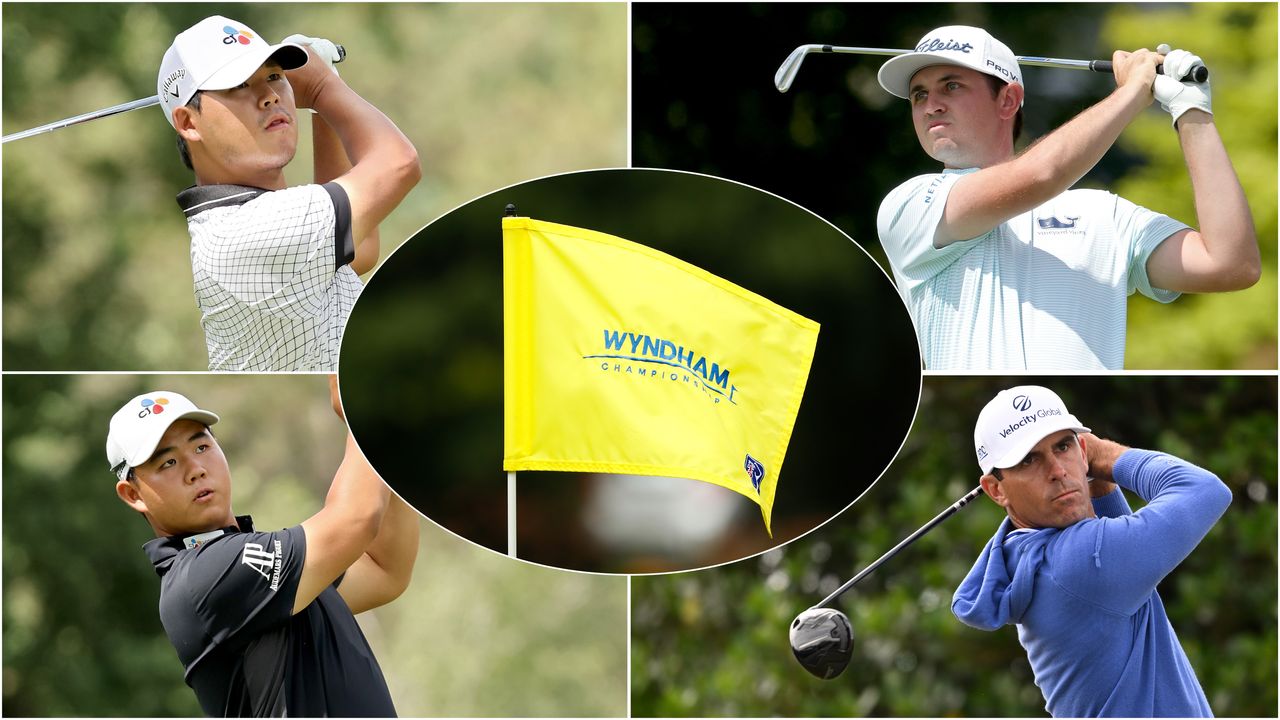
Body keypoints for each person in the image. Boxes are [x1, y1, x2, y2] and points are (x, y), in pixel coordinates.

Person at [875, 26, 1259, 370]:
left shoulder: (1102, 212)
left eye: (951, 86)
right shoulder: (908, 204)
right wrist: (1132, 93)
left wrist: (1192, 111)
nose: (931, 105)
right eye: (919, 94)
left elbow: (1230, 264)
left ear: (1008, 101)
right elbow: (1040, 175)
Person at [108, 379, 420, 716]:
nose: (196, 469)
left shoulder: (265, 576)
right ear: (133, 494)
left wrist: (387, 438)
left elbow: (385, 569)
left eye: (201, 447)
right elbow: (356, 520)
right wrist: (364, 414)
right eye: (167, 463)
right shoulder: (203, 576)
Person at [157, 15, 421, 370]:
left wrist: (319, 103)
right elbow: (399, 164)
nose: (268, 96)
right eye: (238, 85)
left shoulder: (251, 217)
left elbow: (359, 251)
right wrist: (322, 87)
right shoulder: (241, 233)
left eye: (274, 76)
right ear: (189, 123)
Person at [953, 385, 1230, 716]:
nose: (1057, 471)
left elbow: (1115, 536)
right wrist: (1102, 457)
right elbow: (1205, 490)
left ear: (1079, 449)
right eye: (1029, 459)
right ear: (996, 490)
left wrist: (1095, 480)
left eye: (1063, 446)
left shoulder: (1029, 557)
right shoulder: (1079, 562)